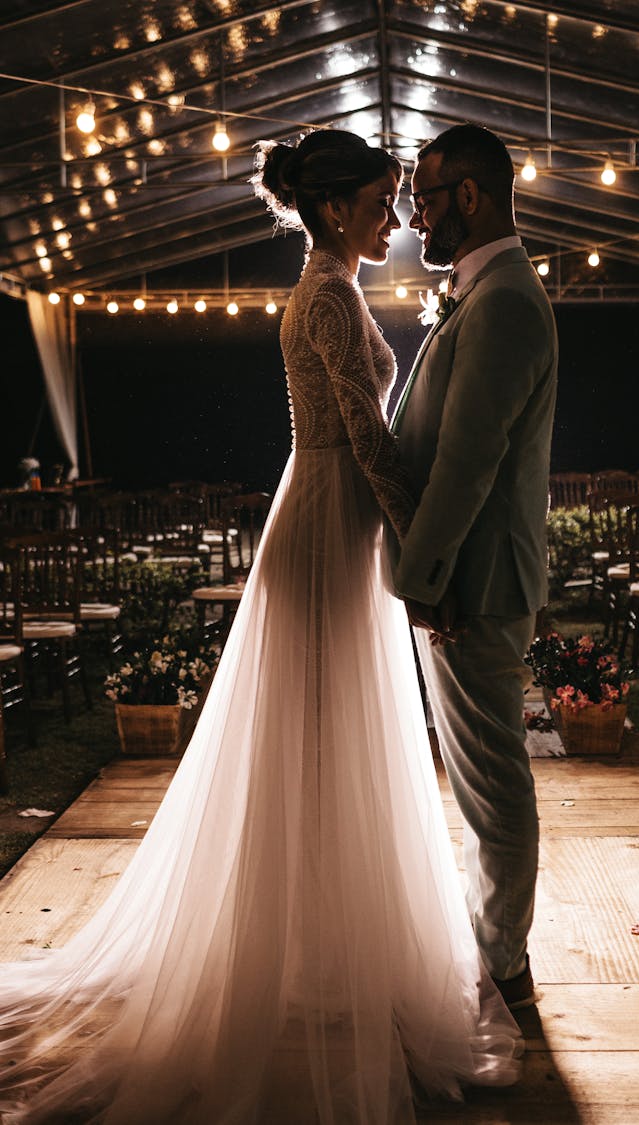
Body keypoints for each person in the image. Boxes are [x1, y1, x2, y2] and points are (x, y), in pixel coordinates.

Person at [0, 130, 522, 1125]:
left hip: (331, 522)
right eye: (377, 200)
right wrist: (426, 566)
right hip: (326, 527)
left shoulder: (336, 285)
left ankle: (324, 947)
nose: (392, 216)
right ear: (332, 210)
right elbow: (366, 439)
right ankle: (310, 958)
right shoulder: (327, 296)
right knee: (324, 741)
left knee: (330, 745)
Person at [388, 125, 558, 1009]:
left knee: (493, 787)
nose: (416, 211)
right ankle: (493, 949)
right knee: (480, 781)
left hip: (473, 586)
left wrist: (425, 581)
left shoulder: (504, 304)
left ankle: (506, 968)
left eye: (427, 191)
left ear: (471, 195)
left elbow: (466, 464)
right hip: (463, 578)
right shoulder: (481, 292)